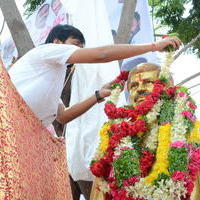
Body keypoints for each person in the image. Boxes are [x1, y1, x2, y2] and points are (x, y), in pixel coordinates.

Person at [8, 24, 181, 199]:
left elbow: (63, 116)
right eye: (76, 45)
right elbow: (102, 55)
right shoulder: (46, 51)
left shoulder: (53, 75)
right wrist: (154, 46)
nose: (79, 52)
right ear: (57, 41)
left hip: (23, 137)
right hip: (9, 125)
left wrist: (98, 95)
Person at [90, 62, 200, 200]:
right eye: (134, 86)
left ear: (168, 88)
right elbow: (101, 189)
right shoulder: (117, 134)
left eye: (148, 82)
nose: (140, 89)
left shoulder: (187, 129)